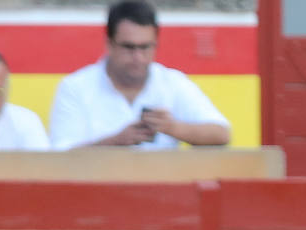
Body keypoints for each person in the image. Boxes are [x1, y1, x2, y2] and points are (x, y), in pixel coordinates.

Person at [48, 1, 230, 150]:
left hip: (162, 191)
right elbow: (60, 159)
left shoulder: (172, 83)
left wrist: (173, 128)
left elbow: (221, 134)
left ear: (156, 44)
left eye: (145, 47)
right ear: (109, 44)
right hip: (97, 192)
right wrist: (114, 142)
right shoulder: (75, 87)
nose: (138, 57)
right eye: (129, 47)